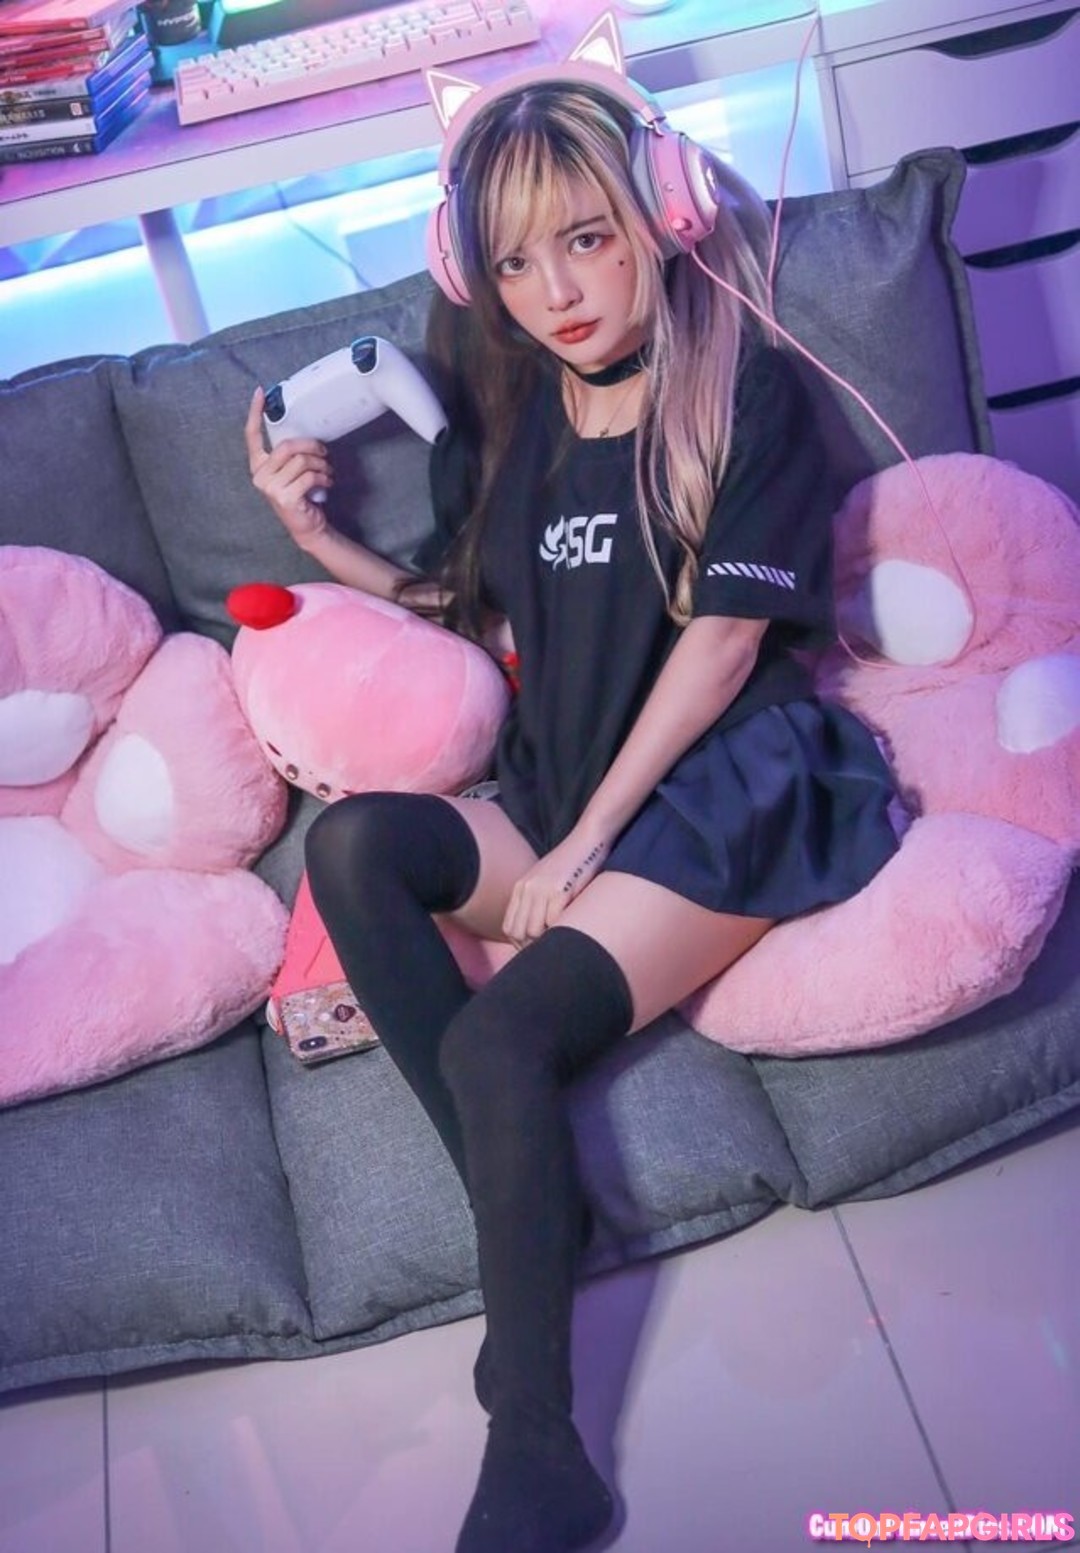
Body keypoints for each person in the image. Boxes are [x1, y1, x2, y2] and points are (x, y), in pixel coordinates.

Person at [245, 65, 899, 1553]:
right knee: (353, 841)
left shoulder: (746, 394)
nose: (556, 292)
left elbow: (723, 650)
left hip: (724, 794)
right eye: (519, 262)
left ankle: (538, 1440)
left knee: (498, 1041)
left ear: (661, 215)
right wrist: (315, 537)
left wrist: (588, 844)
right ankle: (529, 1206)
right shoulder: (521, 423)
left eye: (588, 240)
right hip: (568, 782)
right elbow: (475, 614)